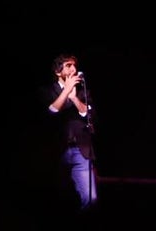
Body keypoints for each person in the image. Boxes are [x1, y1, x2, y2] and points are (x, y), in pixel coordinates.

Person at [42, 53, 97, 210]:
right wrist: (66, 91)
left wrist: (74, 98)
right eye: (68, 66)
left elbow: (88, 114)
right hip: (57, 150)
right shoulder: (47, 91)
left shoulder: (82, 92)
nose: (74, 69)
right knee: (59, 198)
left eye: (74, 65)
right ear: (58, 72)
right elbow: (51, 112)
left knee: (91, 198)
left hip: (81, 150)